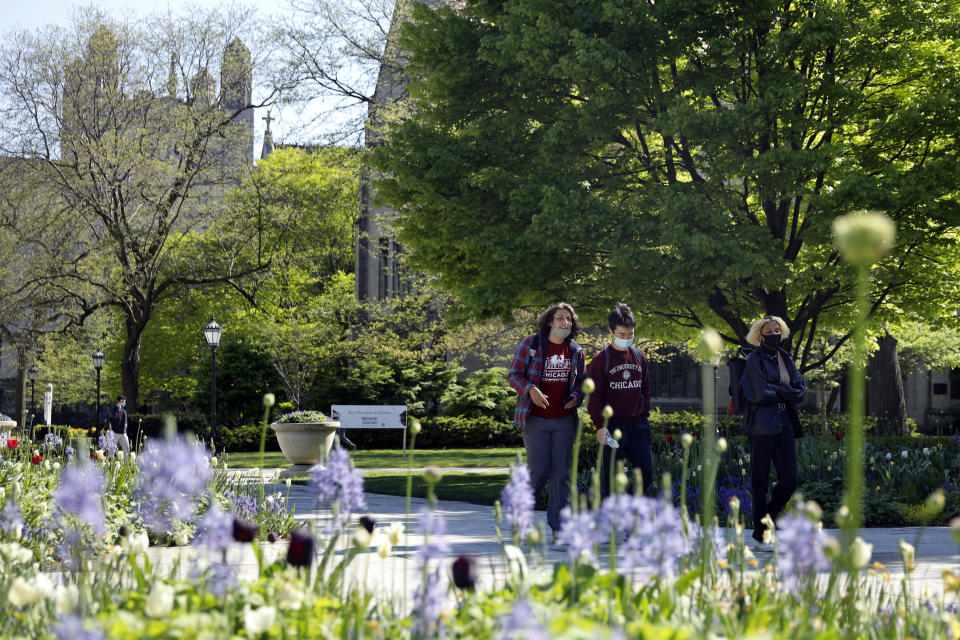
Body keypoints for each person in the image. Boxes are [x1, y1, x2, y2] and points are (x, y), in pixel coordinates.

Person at [507, 302, 586, 541]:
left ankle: (559, 527)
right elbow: (513, 375)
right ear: (550, 321)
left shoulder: (576, 351)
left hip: (564, 420)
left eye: (569, 319)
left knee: (561, 474)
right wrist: (530, 389)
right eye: (560, 318)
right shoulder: (531, 345)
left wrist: (576, 397)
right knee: (539, 471)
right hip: (536, 420)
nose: (565, 323)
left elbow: (582, 382)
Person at [740, 315, 805, 551]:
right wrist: (784, 390)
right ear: (760, 334)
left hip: (784, 421)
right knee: (760, 480)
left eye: (776, 329)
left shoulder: (785, 358)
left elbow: (800, 391)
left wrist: (778, 390)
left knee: (790, 479)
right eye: (768, 330)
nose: (773, 333)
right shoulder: (753, 360)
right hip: (761, 424)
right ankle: (761, 535)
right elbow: (758, 392)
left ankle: (763, 526)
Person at [588, 302, 653, 496]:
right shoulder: (601, 360)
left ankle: (628, 507)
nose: (626, 338)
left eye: (630, 334)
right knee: (612, 479)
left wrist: (644, 412)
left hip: (638, 425)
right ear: (611, 331)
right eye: (622, 334)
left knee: (646, 475)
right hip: (612, 426)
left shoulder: (639, 356)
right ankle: (612, 519)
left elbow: (646, 387)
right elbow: (593, 396)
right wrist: (600, 425)